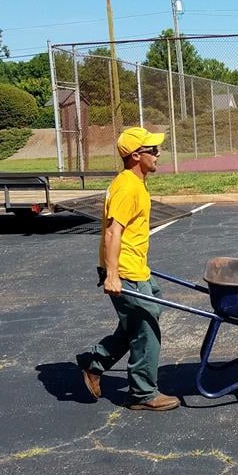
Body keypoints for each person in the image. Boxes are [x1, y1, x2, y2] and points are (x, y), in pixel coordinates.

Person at [76, 127, 180, 411]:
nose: (158, 155)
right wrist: (112, 274)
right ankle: (143, 394)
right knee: (146, 330)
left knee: (139, 321)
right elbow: (113, 233)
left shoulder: (136, 182)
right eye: (153, 150)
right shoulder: (127, 187)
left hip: (136, 268)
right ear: (136, 156)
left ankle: (94, 362)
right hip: (123, 272)